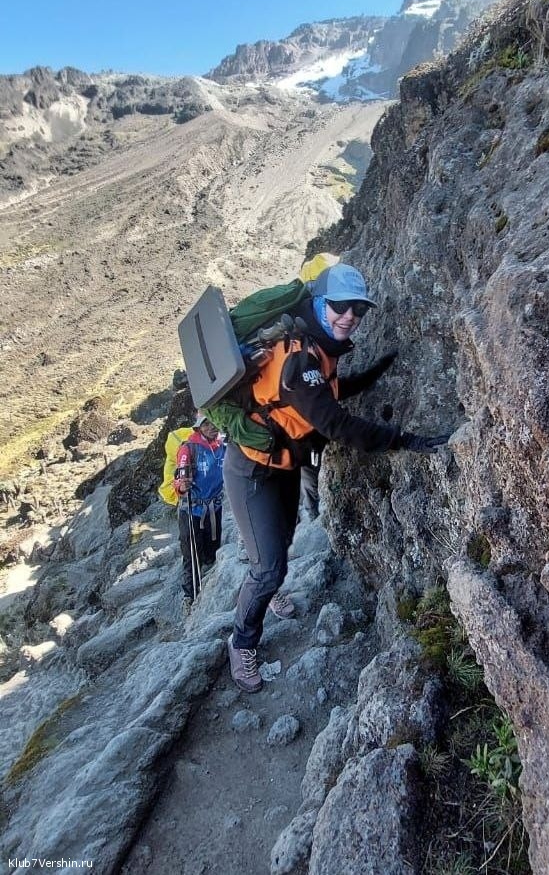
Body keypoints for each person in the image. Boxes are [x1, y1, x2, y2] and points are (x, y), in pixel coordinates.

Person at [220, 263, 450, 692]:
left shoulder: (316, 346)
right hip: (251, 470)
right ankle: (242, 642)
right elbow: (335, 423)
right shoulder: (298, 360)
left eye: (358, 309)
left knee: (280, 544)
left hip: (282, 464)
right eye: (340, 306)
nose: (349, 316)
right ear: (319, 303)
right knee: (268, 568)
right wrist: (405, 440)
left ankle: (266, 587)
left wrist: (377, 371)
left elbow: (328, 391)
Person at [173, 412, 226, 615]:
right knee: (192, 556)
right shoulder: (188, 448)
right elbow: (179, 479)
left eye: (214, 422)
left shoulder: (223, 445)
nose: (211, 427)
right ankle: (190, 596)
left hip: (214, 508)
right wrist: (181, 486)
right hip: (191, 510)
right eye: (206, 424)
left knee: (212, 550)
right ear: (198, 427)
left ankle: (212, 584)